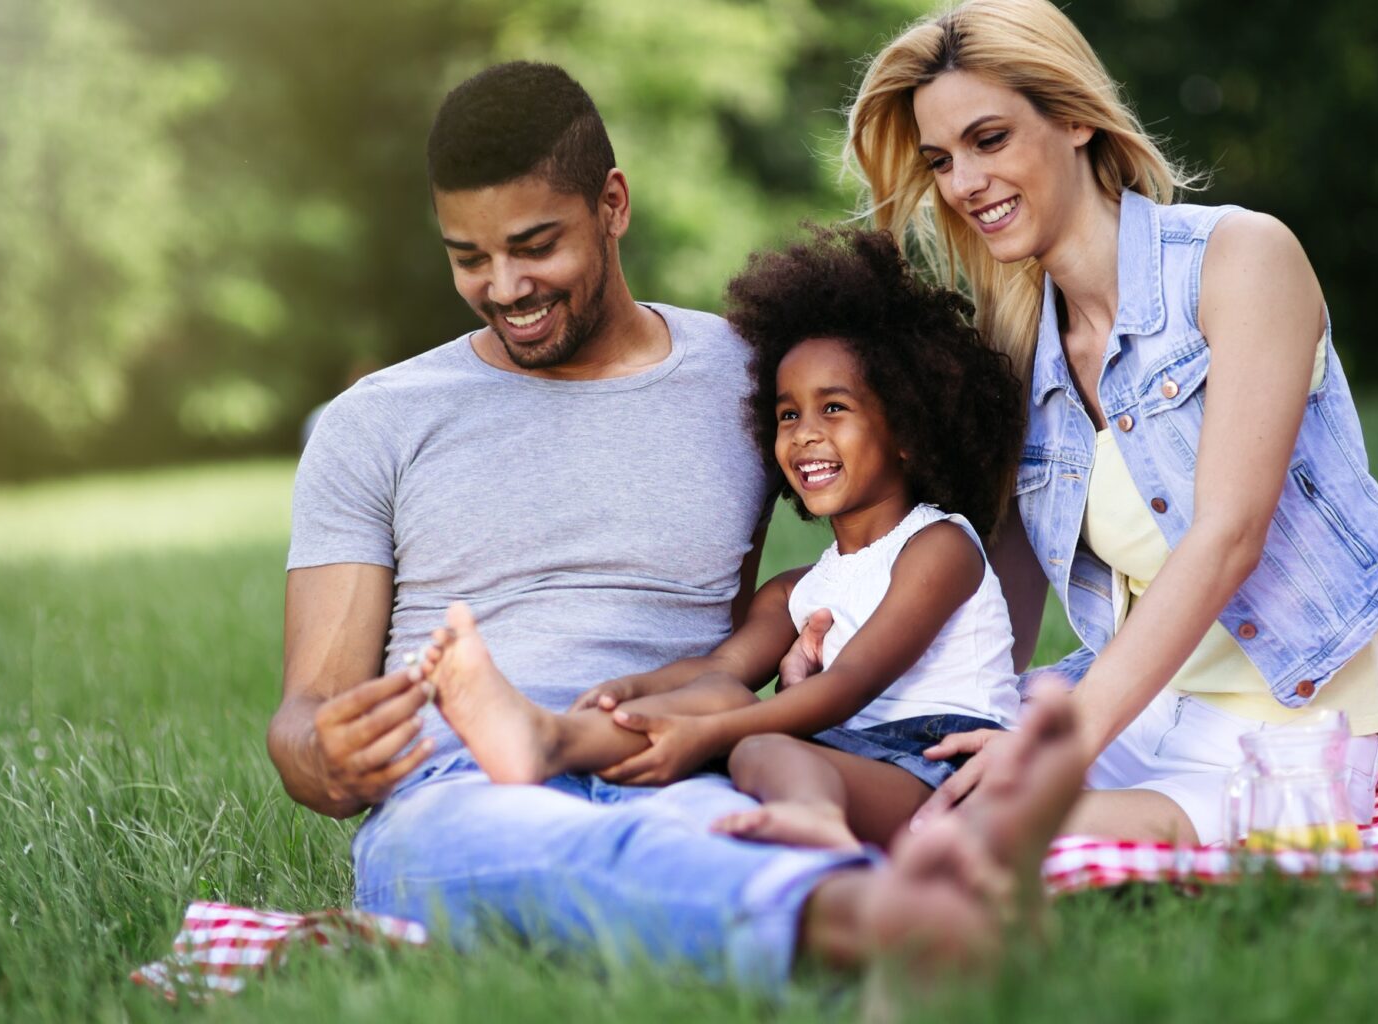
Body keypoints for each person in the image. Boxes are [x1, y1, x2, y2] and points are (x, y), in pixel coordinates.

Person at [266, 60, 1087, 985]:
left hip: (680, 765)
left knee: (717, 842)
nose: (505, 287)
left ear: (612, 203)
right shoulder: (372, 422)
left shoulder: (752, 379)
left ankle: (879, 938)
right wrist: (323, 754)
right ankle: (888, 920)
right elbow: (304, 718)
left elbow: (896, 502)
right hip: (458, 789)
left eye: (537, 245)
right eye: (469, 258)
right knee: (563, 852)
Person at [843, 0, 1378, 846]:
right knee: (867, 772)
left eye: (990, 139)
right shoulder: (1022, 343)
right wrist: (913, 703)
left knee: (969, 829)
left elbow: (1229, 535)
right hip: (1130, 709)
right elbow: (1001, 585)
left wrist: (1057, 747)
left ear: (1074, 117)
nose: (963, 183)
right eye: (941, 160)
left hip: (1287, 738)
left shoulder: (1241, 259)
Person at [413, 225, 1026, 853]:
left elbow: (850, 685)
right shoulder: (799, 589)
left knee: (748, 739)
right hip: (844, 757)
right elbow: (720, 669)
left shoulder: (939, 546)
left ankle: (814, 825)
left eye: (834, 408)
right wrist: (636, 690)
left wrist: (714, 734)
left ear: (907, 429)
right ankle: (548, 739)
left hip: (943, 769)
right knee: (719, 701)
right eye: (788, 414)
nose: (805, 434)